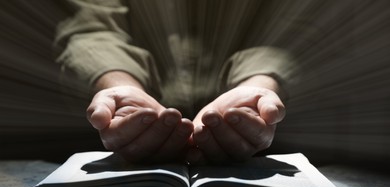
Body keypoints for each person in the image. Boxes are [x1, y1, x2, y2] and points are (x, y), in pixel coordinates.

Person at [55, 0, 305, 164]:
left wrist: (259, 85)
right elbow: (92, 29)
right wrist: (117, 83)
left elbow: (290, 30)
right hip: (111, 152)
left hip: (271, 150)